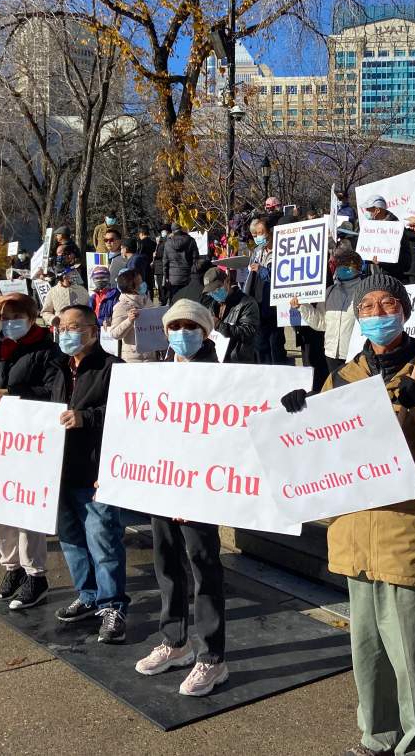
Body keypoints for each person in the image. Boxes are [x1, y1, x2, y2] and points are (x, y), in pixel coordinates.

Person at [280, 274, 415, 755]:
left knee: (412, 655)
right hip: (352, 536)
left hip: (404, 533)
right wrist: (298, 414)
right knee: (366, 653)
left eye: (387, 303)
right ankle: (377, 738)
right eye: (367, 306)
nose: (377, 312)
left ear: (404, 311)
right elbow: (318, 452)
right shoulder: (341, 378)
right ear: (358, 317)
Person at [136, 298, 228, 696]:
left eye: (190, 327)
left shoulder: (224, 376)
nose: (181, 334)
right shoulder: (156, 375)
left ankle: (212, 658)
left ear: (205, 332)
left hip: (200, 488)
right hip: (162, 483)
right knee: (166, 563)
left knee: (203, 566)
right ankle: (175, 643)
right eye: (174, 327)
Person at [0, 293, 62, 608]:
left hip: (27, 442)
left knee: (24, 509)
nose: (9, 323)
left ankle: (35, 574)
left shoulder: (47, 349)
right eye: (4, 317)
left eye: (16, 317)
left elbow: (52, 391)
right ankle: (12, 568)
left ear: (32, 318)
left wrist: (13, 393)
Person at [50, 304, 130, 641]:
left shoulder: (114, 368)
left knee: (103, 540)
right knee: (71, 540)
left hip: (96, 471)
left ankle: (114, 607)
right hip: (60, 470)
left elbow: (127, 414)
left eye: (73, 326)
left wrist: (87, 418)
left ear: (93, 331)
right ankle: (88, 595)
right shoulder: (59, 368)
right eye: (61, 326)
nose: (65, 332)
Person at [295, 246, 367, 377]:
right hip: (331, 354)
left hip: (354, 355)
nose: (343, 268)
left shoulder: (365, 292)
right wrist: (302, 306)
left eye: (348, 265)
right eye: (340, 265)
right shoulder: (330, 292)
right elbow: (321, 323)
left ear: (358, 268)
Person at [243, 218, 287, 365]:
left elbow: (280, 276)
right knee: (260, 345)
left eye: (261, 233)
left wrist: (261, 270)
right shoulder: (256, 251)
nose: (258, 237)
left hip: (274, 306)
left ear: (270, 232)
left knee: (275, 345)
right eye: (255, 235)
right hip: (257, 303)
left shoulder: (282, 250)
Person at [362, 195, 415, 284]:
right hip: (384, 276)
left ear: (377, 210)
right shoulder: (373, 228)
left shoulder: (395, 229)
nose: (366, 211)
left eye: (368, 209)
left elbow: (403, 259)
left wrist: (382, 262)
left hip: (400, 279)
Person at [204, 268, 258, 363]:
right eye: (210, 292)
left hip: (238, 360)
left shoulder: (247, 303)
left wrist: (219, 325)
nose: (214, 294)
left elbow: (249, 332)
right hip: (219, 359)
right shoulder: (213, 305)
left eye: (217, 289)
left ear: (227, 282)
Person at [107, 269, 157, 363]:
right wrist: (129, 321)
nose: (143, 284)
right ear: (131, 286)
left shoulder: (146, 300)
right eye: (140, 282)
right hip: (133, 359)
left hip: (151, 357)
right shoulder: (121, 306)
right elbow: (114, 334)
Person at [163, 224, 199, 302]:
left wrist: (166, 277)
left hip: (173, 279)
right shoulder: (191, 240)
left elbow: (165, 262)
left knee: (174, 303)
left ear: (172, 231)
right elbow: (195, 259)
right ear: (182, 229)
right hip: (188, 277)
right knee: (189, 302)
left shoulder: (167, 243)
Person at [153, 227, 170, 304]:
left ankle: (163, 300)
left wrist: (155, 255)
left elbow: (162, 254)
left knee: (162, 285)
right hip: (159, 266)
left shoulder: (164, 242)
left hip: (161, 266)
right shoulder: (161, 241)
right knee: (161, 285)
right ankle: (163, 299)